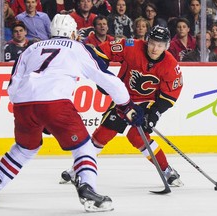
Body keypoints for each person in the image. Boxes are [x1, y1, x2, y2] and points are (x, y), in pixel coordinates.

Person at [0, 14, 144, 212]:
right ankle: (87, 189)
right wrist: (127, 104)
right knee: (84, 147)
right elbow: (105, 77)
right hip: (55, 103)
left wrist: (36, 114)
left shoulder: (30, 49)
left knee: (25, 148)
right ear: (72, 33)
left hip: (23, 104)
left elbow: (12, 86)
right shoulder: (78, 47)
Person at [60, 25, 184, 188]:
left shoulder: (171, 65)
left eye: (160, 45)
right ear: (147, 40)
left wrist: (154, 114)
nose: (155, 48)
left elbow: (170, 94)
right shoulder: (131, 46)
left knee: (137, 136)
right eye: (153, 43)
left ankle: (167, 170)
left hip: (148, 102)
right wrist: (102, 76)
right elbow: (102, 52)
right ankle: (80, 168)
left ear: (166, 46)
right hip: (123, 99)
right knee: (103, 135)